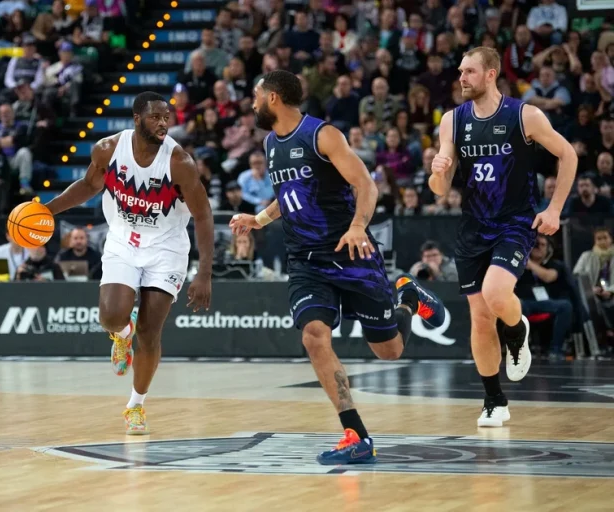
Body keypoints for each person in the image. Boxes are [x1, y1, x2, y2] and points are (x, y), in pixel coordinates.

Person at [230, 70, 446, 465]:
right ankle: (356, 435)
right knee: (314, 337)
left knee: (389, 351)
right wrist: (258, 220)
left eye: (256, 95)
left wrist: (358, 226)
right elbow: (288, 194)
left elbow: (366, 184)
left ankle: (409, 299)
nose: (252, 102)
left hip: (350, 252)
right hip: (306, 260)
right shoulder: (270, 143)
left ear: (274, 97)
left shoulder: (322, 135)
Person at [45, 92, 214, 435]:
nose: (163, 123)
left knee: (150, 333)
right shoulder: (108, 149)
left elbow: (203, 215)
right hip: (124, 239)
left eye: (166, 117)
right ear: (137, 119)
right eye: (155, 117)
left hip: (166, 248)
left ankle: (135, 405)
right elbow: (89, 185)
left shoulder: (179, 162)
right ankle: (122, 333)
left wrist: (204, 273)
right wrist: (47, 210)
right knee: (110, 316)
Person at [430, 47, 577, 427]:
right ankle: (494, 400)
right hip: (473, 226)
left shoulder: (524, 115)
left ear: (491, 74)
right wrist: (438, 171)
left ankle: (516, 327)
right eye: (460, 71)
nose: (462, 78)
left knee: (496, 294)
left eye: (469, 71)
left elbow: (568, 155)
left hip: (514, 222)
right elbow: (440, 190)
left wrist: (554, 209)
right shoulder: (453, 120)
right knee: (480, 318)